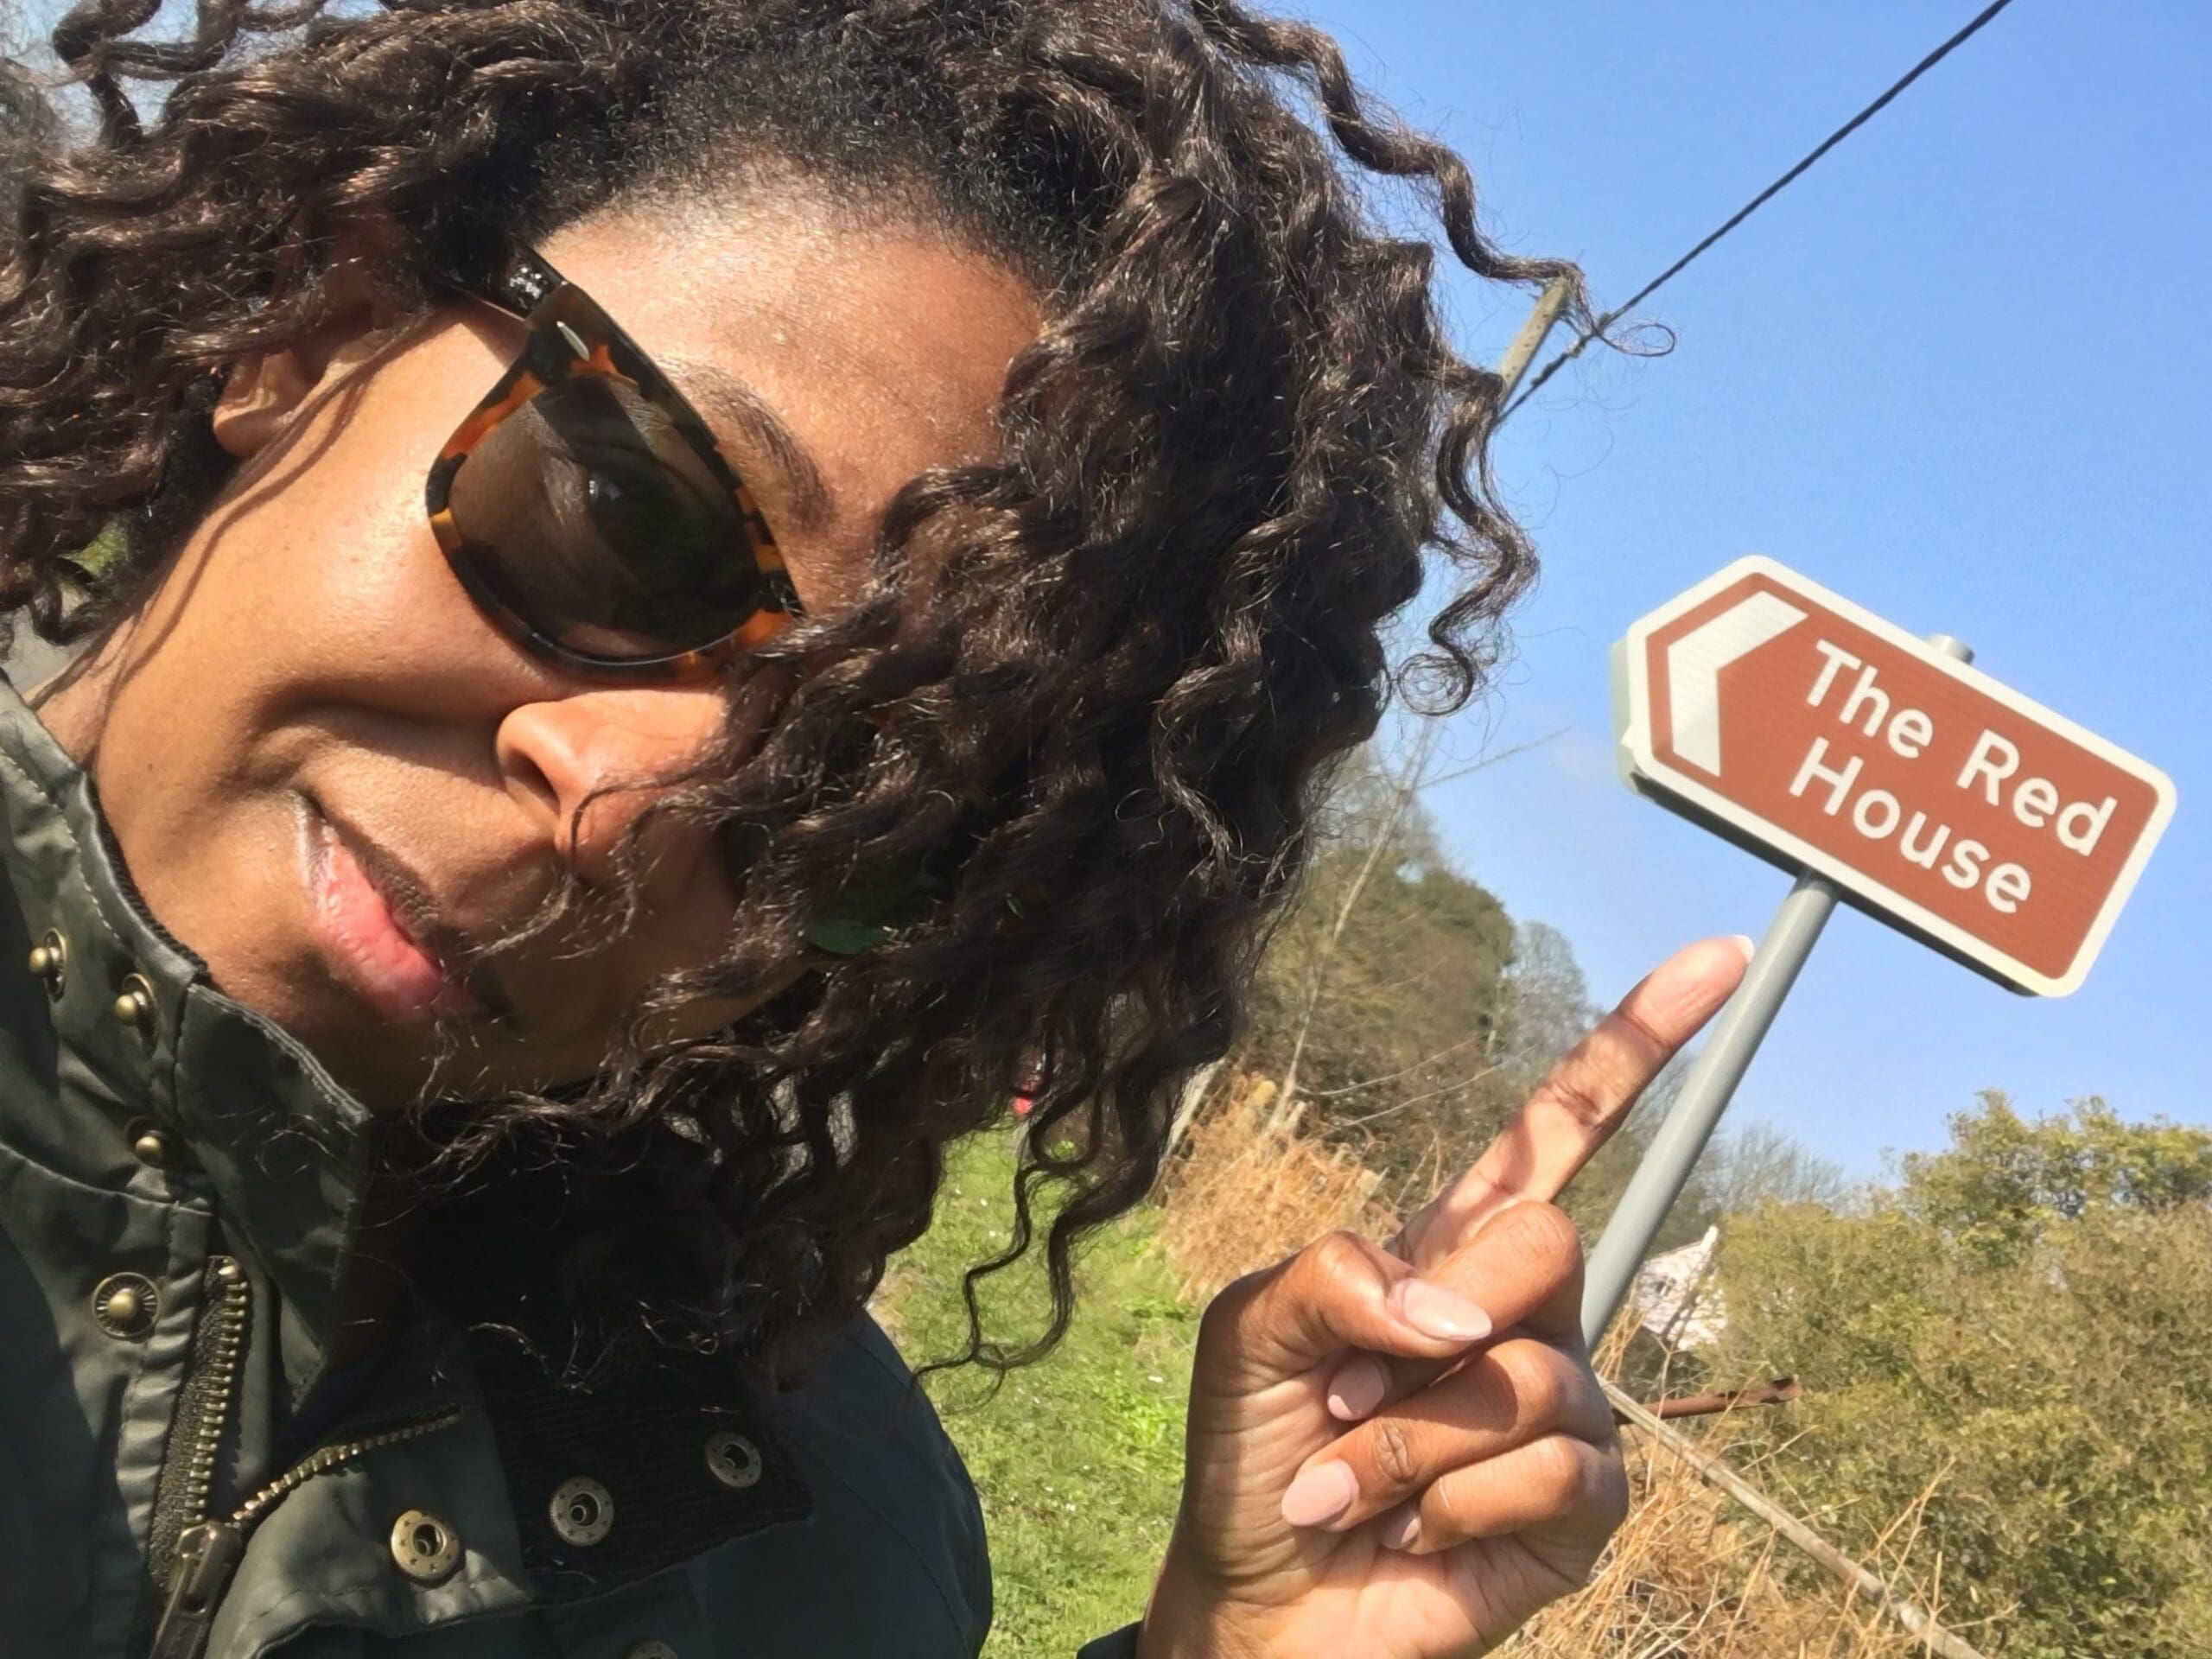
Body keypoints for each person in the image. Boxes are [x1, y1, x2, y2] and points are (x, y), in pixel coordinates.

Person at [0, 1, 1751, 1655]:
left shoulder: (813, 1530)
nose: (622, 810)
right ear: (323, 324)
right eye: (623, 510)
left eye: (854, 803)